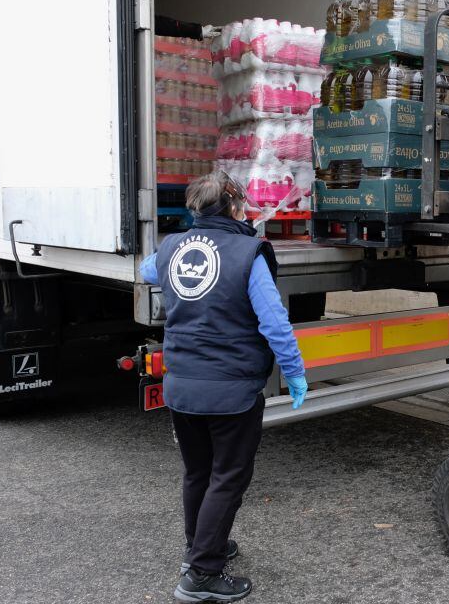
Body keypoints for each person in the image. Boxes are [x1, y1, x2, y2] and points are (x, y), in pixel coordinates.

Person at [139, 170, 307, 603]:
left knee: (198, 472)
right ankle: (201, 574)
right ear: (235, 206)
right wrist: (293, 372)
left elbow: (147, 270)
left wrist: (173, 257)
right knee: (228, 477)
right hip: (231, 391)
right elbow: (274, 322)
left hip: (181, 388)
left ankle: (199, 548)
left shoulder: (172, 248)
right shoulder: (247, 253)